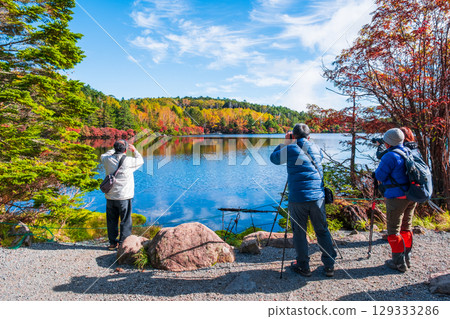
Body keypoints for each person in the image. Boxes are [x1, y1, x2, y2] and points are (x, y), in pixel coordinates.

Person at [270, 123, 337, 277]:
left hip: (298, 198)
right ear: (309, 136)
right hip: (317, 197)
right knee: (322, 230)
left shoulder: (290, 148)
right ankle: (329, 265)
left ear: (293, 136)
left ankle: (303, 266)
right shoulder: (315, 148)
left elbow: (274, 159)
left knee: (299, 232)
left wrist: (285, 143)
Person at [374, 128, 417, 272]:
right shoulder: (408, 151)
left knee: (393, 230)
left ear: (388, 143)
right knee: (406, 226)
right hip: (411, 195)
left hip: (396, 197)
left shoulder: (389, 156)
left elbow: (380, 176)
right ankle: (407, 257)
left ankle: (398, 262)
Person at [101, 140, 144, 250]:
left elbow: (103, 155)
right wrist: (134, 150)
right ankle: (123, 244)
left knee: (111, 220)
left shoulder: (107, 159)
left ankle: (112, 243)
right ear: (125, 150)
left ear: (114, 149)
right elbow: (140, 160)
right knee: (125, 220)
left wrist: (113, 149)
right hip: (124, 196)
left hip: (110, 196)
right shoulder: (129, 161)